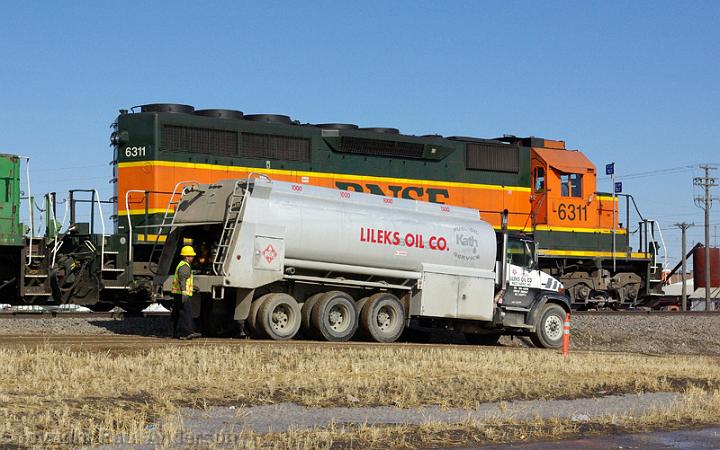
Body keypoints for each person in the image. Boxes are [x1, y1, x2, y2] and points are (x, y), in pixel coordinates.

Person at [171, 245, 201, 340]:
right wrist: (184, 291)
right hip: (182, 294)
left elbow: (184, 280)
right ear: (186, 256)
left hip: (178, 293)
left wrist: (193, 287)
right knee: (186, 313)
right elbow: (182, 279)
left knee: (179, 313)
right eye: (191, 256)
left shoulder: (181, 265)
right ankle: (187, 333)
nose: (193, 257)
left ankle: (177, 333)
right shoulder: (185, 267)